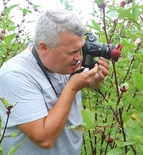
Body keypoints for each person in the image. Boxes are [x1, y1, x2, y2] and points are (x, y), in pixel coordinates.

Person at [0, 9, 110, 155]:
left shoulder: (65, 62)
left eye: (80, 50)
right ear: (44, 47)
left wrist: (95, 80)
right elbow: (44, 139)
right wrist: (72, 88)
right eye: (72, 52)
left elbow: (91, 83)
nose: (79, 58)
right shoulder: (15, 74)